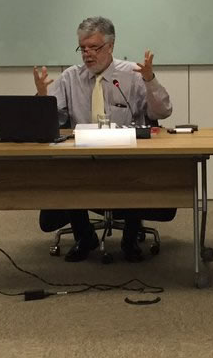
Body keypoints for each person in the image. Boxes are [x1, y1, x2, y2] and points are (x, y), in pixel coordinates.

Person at [32, 16, 174, 262]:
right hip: (83, 155)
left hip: (126, 155)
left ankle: (130, 240)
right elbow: (48, 119)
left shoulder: (132, 74)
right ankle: (84, 237)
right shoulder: (70, 77)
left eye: (94, 48)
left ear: (110, 46)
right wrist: (42, 96)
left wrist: (150, 80)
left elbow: (162, 112)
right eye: (83, 48)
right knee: (67, 171)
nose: (87, 54)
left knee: (134, 171)